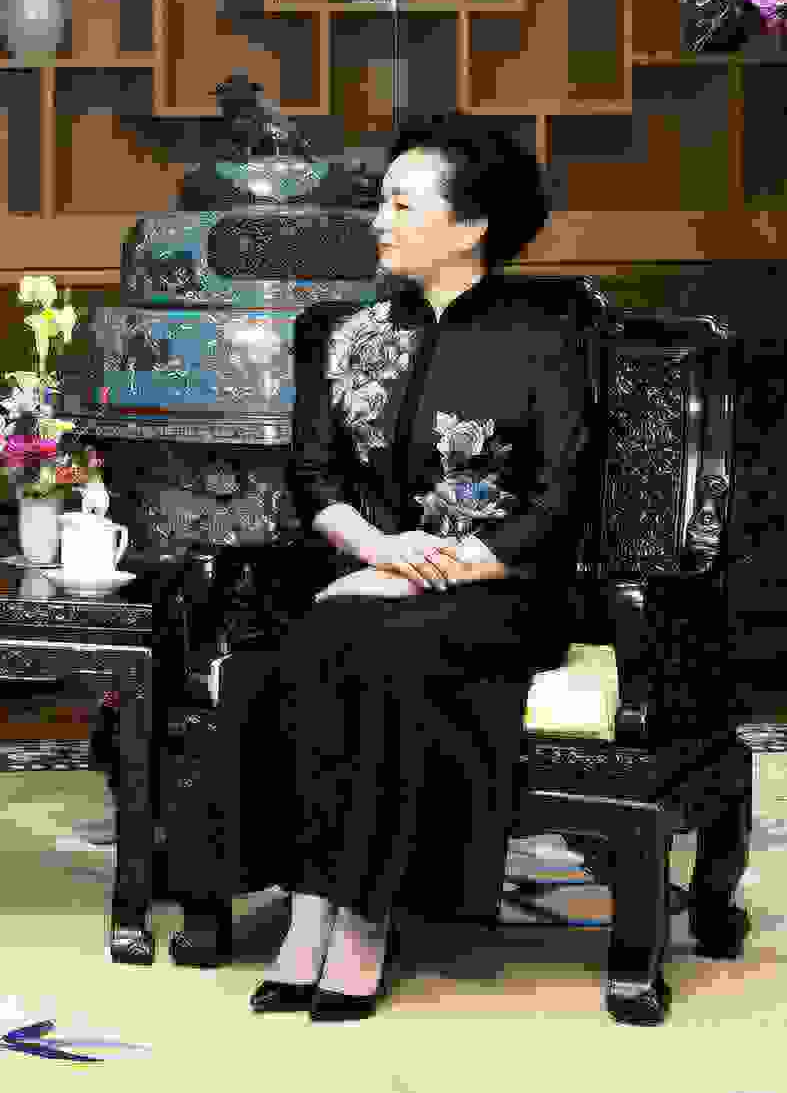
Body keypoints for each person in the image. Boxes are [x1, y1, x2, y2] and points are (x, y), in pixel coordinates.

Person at [217, 119, 597, 1024]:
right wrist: (380, 552)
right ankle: (314, 907)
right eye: (379, 202)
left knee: (359, 635)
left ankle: (358, 919)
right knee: (317, 632)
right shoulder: (351, 334)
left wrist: (436, 571)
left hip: (503, 589)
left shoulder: (550, 333)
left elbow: (562, 493)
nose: (378, 221)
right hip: (367, 578)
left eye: (400, 204)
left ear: (470, 227)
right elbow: (314, 474)